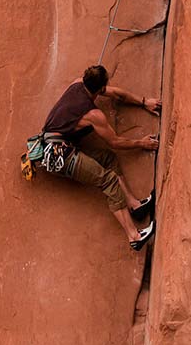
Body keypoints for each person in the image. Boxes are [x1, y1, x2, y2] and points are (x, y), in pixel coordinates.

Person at [37, 64, 160, 249]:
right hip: (58, 155)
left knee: (108, 158)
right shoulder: (94, 115)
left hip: (61, 147)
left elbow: (117, 94)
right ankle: (134, 236)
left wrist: (144, 101)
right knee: (108, 181)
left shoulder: (78, 83)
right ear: (101, 88)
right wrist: (141, 143)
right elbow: (115, 142)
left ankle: (134, 205)